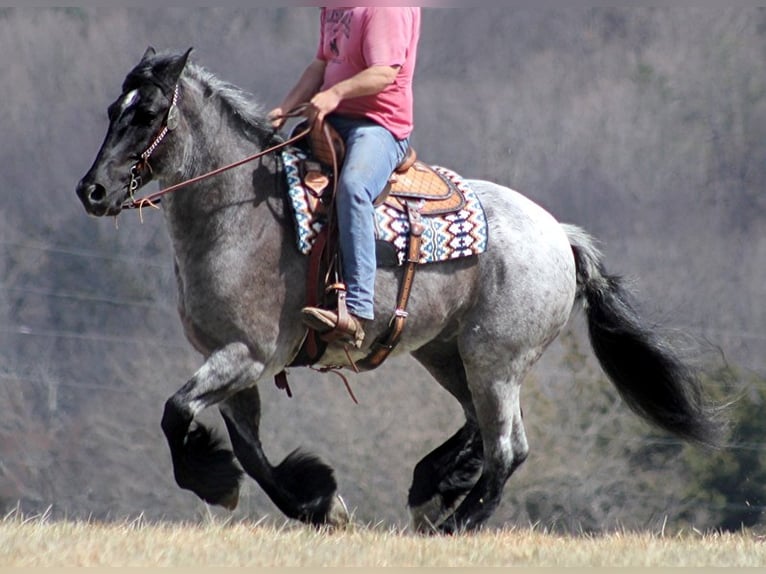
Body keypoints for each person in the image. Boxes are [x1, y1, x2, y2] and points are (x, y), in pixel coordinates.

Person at [269, 7, 421, 349]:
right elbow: (321, 64)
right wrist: (284, 108)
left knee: (353, 188)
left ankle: (358, 307)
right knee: (275, 169)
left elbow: (384, 72)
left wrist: (335, 94)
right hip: (332, 120)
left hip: (379, 126)